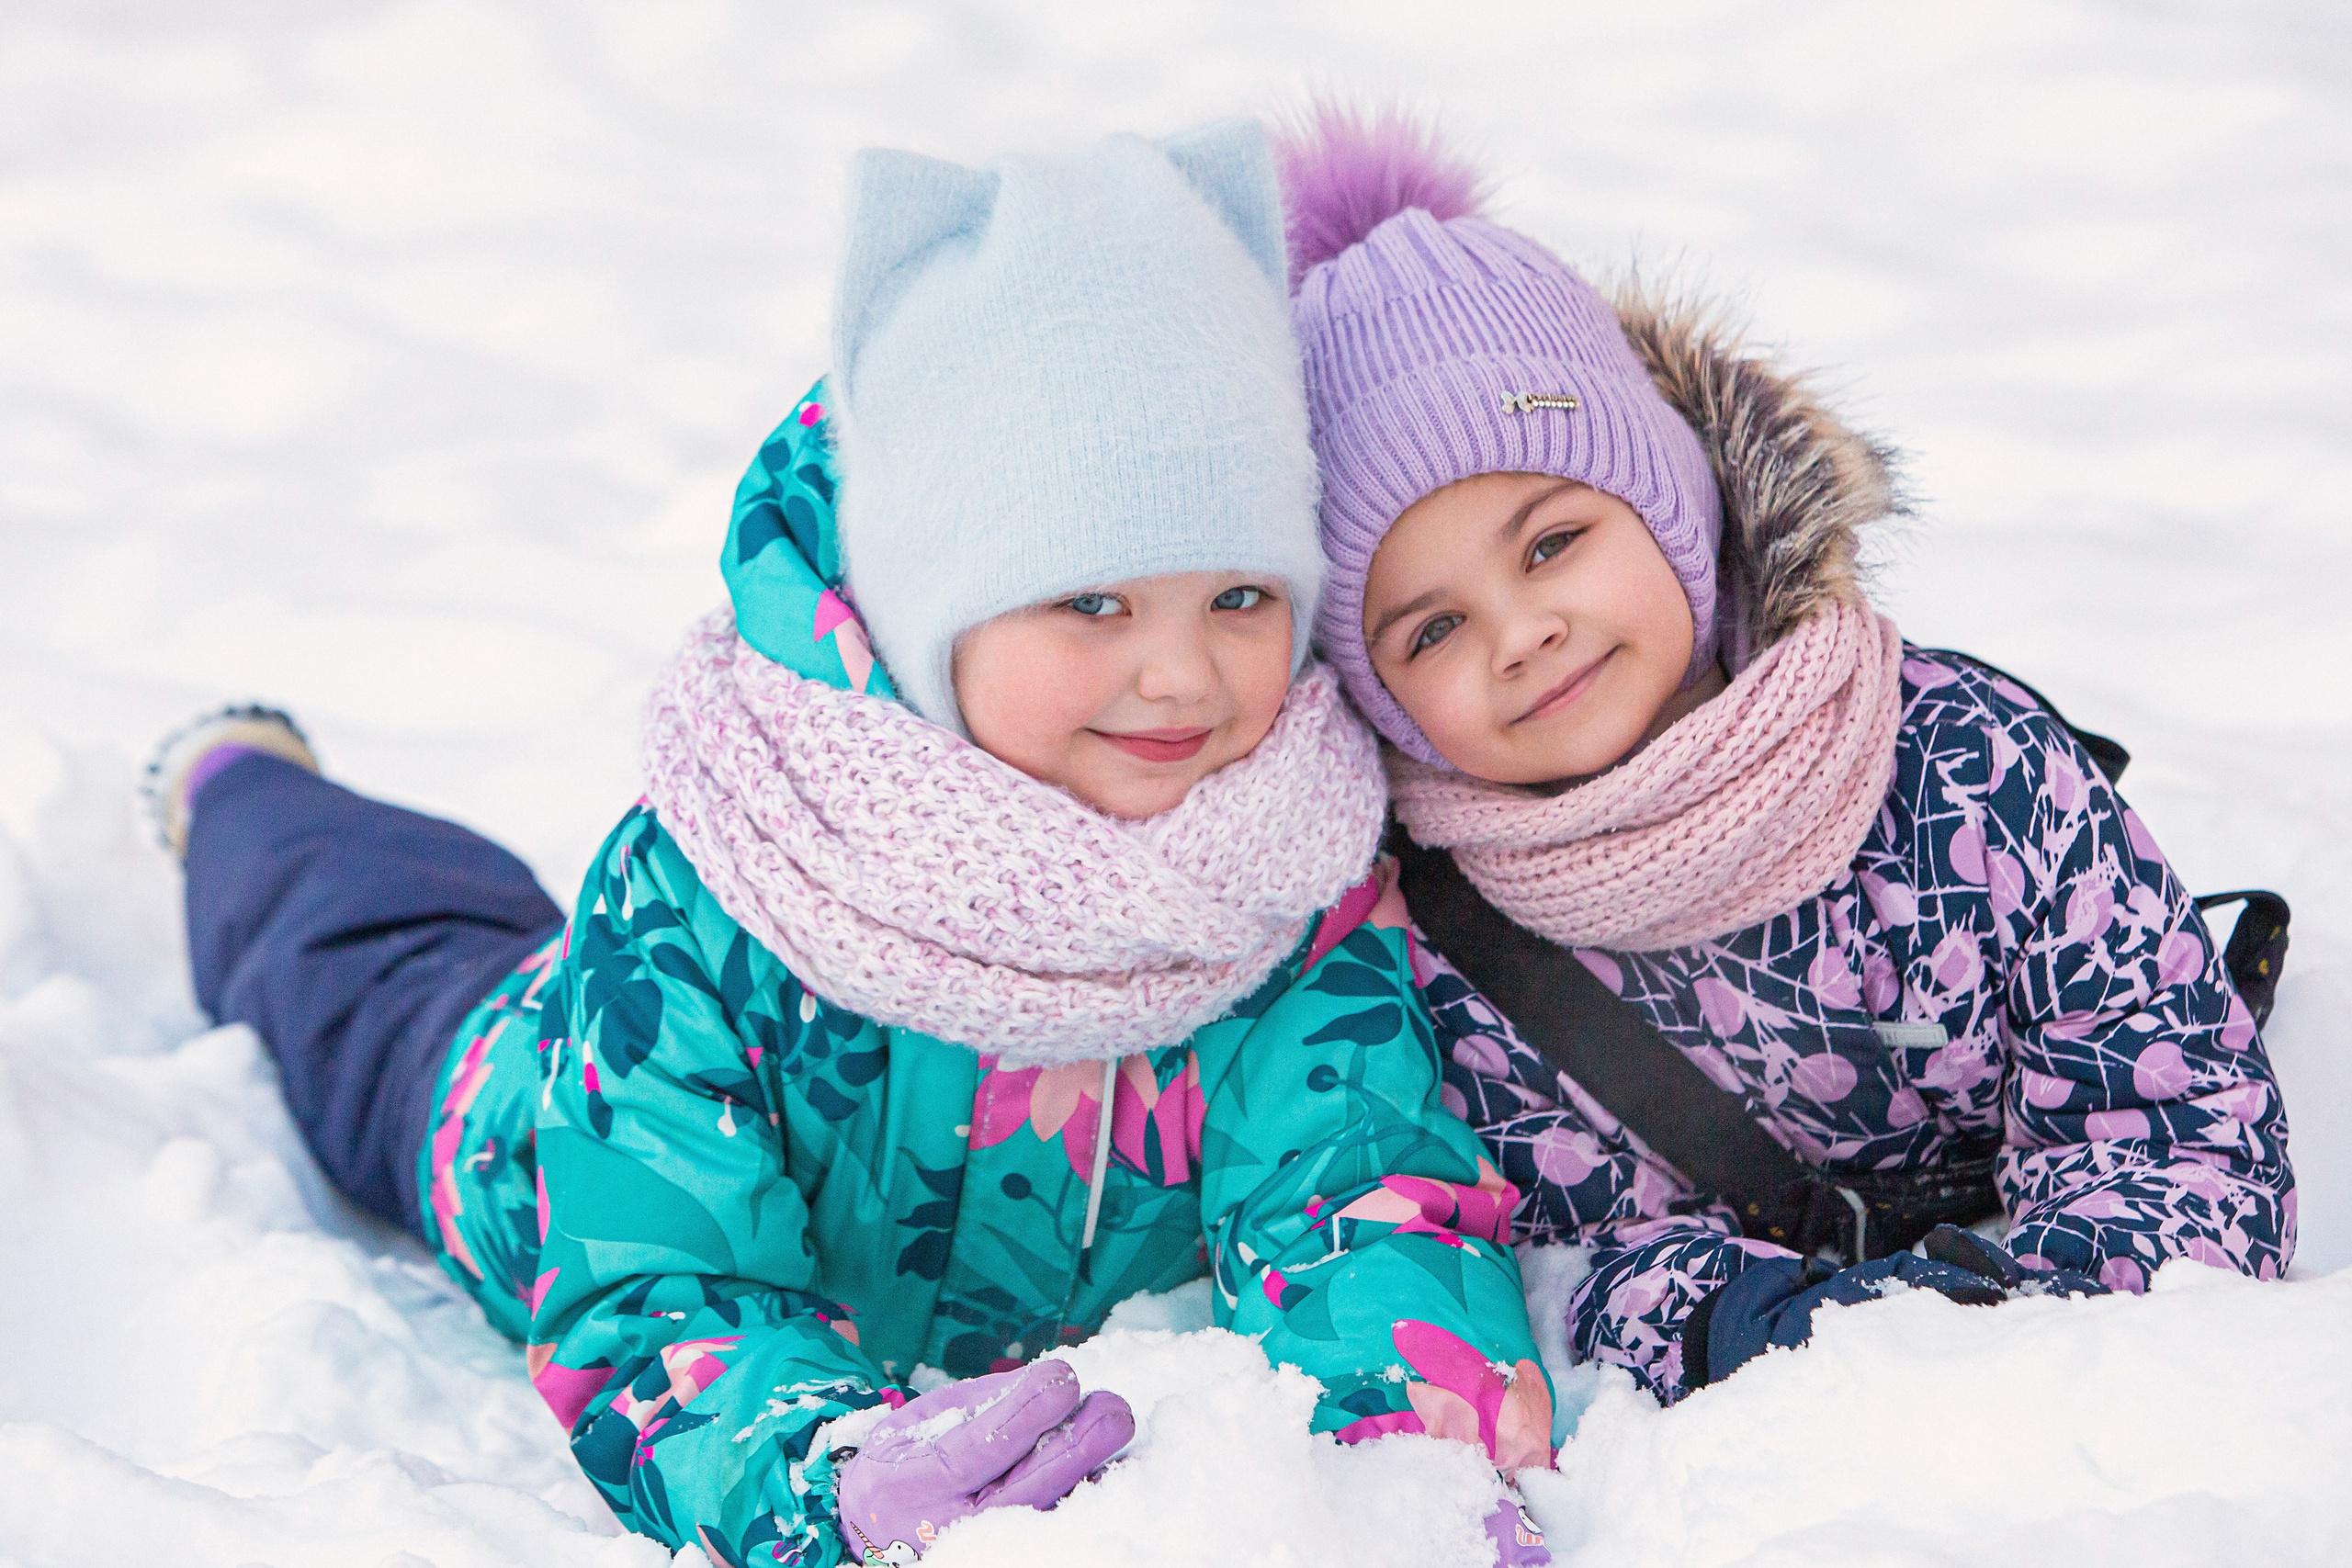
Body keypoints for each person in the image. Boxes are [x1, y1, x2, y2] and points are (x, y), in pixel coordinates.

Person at [153, 122, 1555, 1565]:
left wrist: (1417, 1481)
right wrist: (826, 1471)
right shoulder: (713, 889)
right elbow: (662, 1290)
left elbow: (1356, 1198)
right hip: (518, 1114)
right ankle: (242, 792)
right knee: (366, 956)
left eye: (1241, 598)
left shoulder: (1289, 874)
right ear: (926, 613)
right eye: (1092, 603)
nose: (1186, 677)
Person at [1273, 104, 2295, 1406]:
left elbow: (2179, 1123)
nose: (1523, 634)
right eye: (1434, 627)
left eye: (1551, 543)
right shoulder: (1458, 948)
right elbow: (1571, 1256)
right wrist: (1768, 1332)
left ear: (1676, 500)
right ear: (1386, 700)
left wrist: (2020, 1316)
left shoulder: (1970, 773)